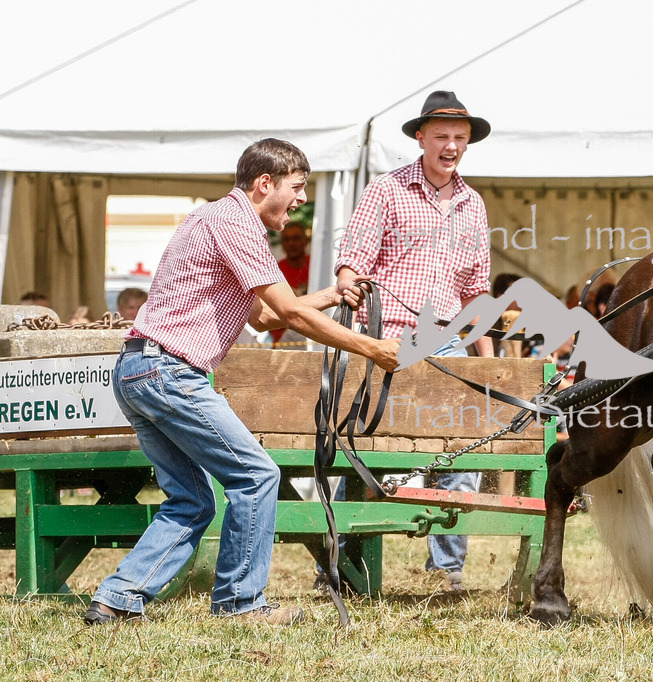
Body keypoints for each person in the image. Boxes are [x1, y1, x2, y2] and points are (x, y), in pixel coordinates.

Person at [83, 139, 400, 627]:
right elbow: (290, 315)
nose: (301, 199)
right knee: (256, 476)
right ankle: (239, 604)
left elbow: (263, 315)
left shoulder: (212, 217)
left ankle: (117, 598)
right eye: (297, 187)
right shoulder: (238, 223)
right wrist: (374, 349)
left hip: (138, 369)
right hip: (170, 371)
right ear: (264, 183)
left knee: (192, 501)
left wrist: (332, 295)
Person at [334, 91, 492, 592]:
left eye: (460, 138)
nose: (451, 145)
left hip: (445, 340)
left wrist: (487, 363)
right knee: (367, 448)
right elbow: (351, 262)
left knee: (461, 447)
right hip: (386, 334)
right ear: (420, 137)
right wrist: (350, 300)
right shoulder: (386, 189)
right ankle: (338, 562)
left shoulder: (473, 204)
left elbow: (476, 291)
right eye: (441, 136)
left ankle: (446, 569)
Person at [271, 222, 310, 348]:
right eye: (286, 239)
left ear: (305, 241)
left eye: (296, 238)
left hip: (313, 335)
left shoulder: (316, 266)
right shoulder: (275, 270)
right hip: (282, 340)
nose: (291, 243)